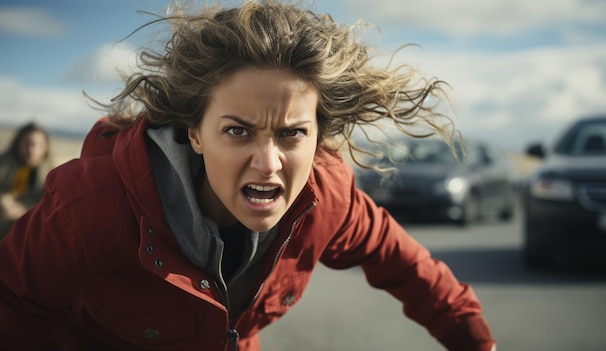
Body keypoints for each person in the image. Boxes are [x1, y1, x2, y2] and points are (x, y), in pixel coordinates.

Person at [0, 1, 496, 350]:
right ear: (195, 132)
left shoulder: (330, 196)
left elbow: (411, 270)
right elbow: (12, 304)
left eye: (291, 133)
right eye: (238, 131)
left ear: (318, 134)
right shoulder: (90, 206)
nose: (268, 162)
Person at [0, 121, 53, 240]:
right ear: (17, 144)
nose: (32, 150)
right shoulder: (3, 165)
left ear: (45, 148)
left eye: (38, 145)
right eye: (27, 144)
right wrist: (4, 202)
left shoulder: (51, 178)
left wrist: (26, 212)